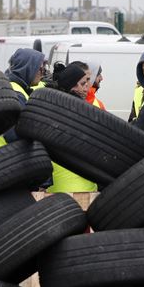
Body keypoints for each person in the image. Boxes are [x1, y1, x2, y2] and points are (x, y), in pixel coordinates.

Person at [45, 62, 98, 193]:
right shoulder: (81, 114)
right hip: (78, 188)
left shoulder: (50, 110)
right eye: (83, 84)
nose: (87, 88)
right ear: (71, 87)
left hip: (58, 187)